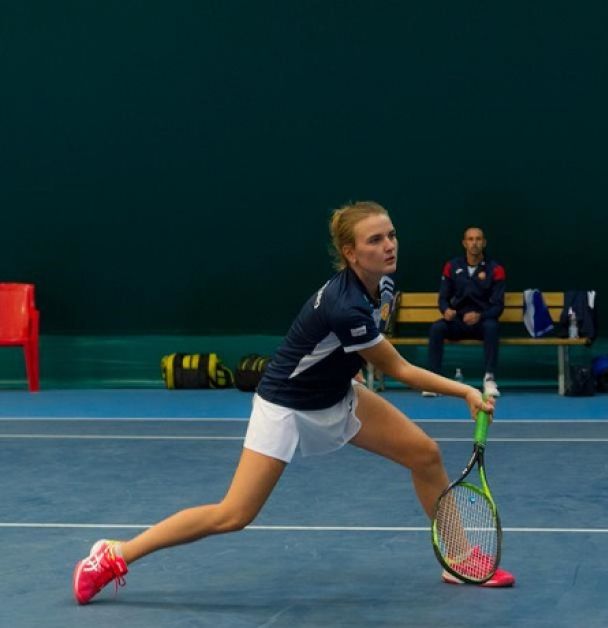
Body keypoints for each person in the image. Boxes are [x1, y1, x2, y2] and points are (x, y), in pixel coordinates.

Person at [71, 202, 515, 605]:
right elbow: (398, 368)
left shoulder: (382, 286)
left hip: (335, 393)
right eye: (375, 240)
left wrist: (344, 366)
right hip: (286, 405)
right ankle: (115, 554)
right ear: (350, 253)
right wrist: (466, 391)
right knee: (234, 514)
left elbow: (351, 346)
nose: (388, 245)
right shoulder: (344, 305)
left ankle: (457, 558)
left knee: (425, 455)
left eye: (391, 235)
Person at [424, 227, 506, 399]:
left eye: (478, 239)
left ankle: (489, 379)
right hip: (458, 322)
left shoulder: (495, 269)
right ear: (464, 243)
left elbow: (498, 306)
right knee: (437, 328)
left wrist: (480, 316)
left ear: (484, 243)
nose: (474, 243)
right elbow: (443, 298)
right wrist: (446, 310)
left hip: (482, 323)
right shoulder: (452, 266)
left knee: (492, 327)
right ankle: (433, 381)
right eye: (470, 239)